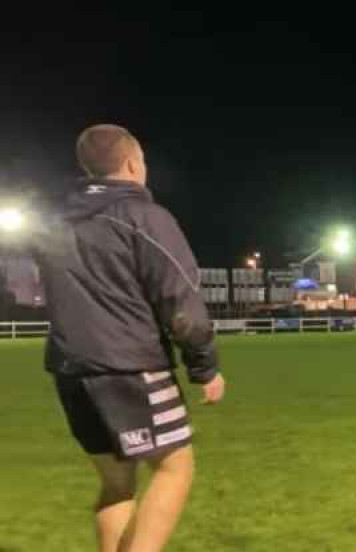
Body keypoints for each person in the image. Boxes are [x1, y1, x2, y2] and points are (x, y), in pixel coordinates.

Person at [33, 124, 225, 552]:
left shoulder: (54, 222)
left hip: (71, 370)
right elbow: (180, 300)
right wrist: (205, 367)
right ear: (134, 163)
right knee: (176, 468)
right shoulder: (144, 217)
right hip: (130, 368)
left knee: (117, 485)